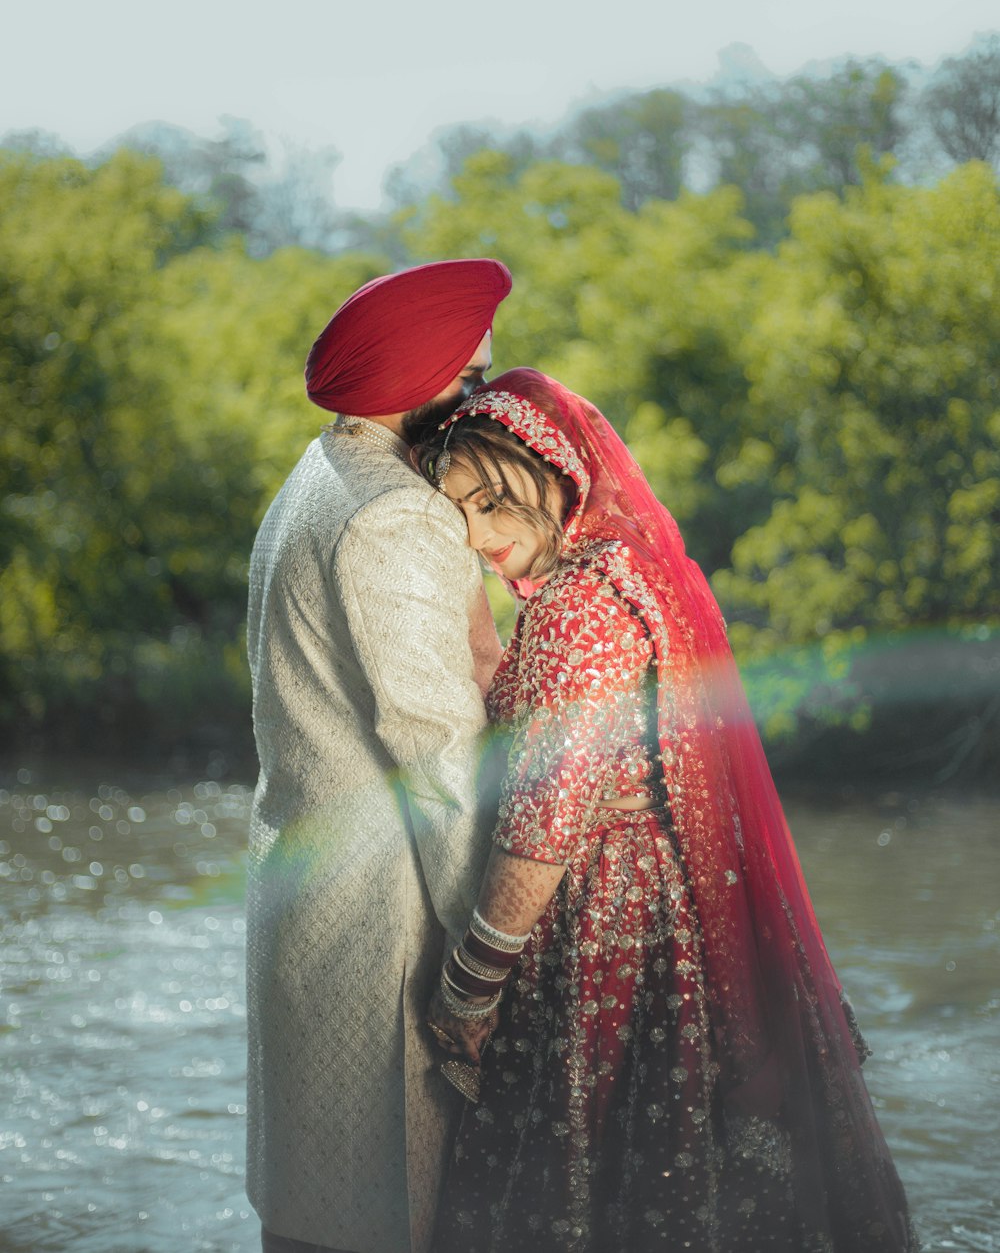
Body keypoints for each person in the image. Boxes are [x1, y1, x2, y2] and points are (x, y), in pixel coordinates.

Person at [414, 368, 918, 1253]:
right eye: (458, 511)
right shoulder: (617, 578)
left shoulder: (580, 610)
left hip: (612, 926)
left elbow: (544, 823)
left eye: (496, 503)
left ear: (559, 479)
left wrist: (467, 989)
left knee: (603, 1170)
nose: (477, 534)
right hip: (645, 898)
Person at [244, 259, 512, 1253]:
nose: (487, 396)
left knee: (315, 1215)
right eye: (473, 375)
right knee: (390, 1219)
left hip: (307, 903)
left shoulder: (313, 477)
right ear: (417, 379)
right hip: (389, 930)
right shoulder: (394, 513)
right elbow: (440, 757)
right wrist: (489, 960)